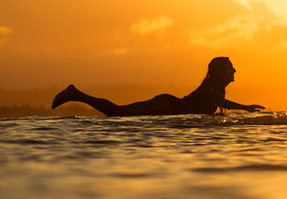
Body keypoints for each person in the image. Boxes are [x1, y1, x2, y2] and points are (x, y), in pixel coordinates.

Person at [51, 57, 264, 116]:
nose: (235, 71)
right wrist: (245, 108)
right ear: (221, 72)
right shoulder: (212, 89)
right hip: (167, 106)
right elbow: (220, 104)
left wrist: (244, 108)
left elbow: (219, 104)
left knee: (118, 112)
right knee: (117, 112)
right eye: (231, 68)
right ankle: (75, 93)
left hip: (169, 107)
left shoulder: (217, 89)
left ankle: (76, 94)